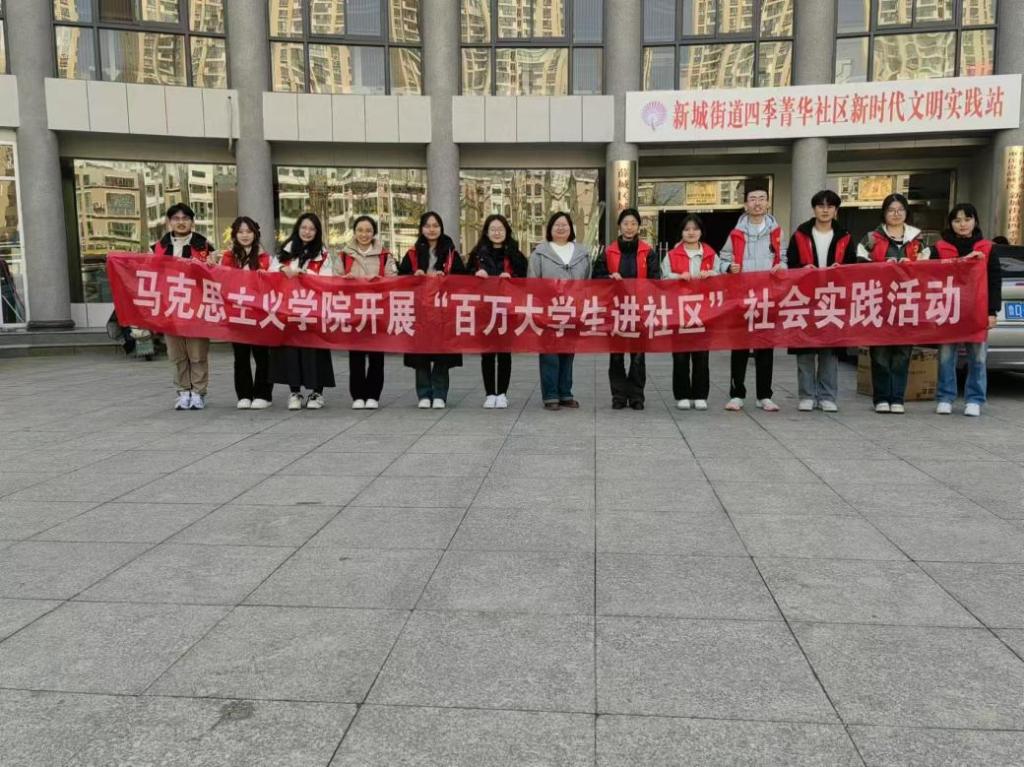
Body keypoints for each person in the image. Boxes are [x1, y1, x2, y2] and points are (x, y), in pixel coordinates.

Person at [856, 193, 930, 414]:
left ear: (906, 212)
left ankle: (897, 398)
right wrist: (882, 267)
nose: (896, 214)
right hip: (879, 302)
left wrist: (912, 265)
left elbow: (930, 268)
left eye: (900, 210)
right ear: (884, 213)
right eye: (891, 210)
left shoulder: (918, 239)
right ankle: (881, 398)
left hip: (908, 303)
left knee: (902, 353)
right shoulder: (871, 238)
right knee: (879, 353)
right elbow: (858, 266)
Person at [719, 183, 786, 412]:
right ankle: (737, 394)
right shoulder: (736, 233)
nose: (757, 203)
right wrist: (728, 267)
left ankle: (764, 395)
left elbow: (784, 257)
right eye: (753, 199)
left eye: (761, 198)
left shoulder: (777, 232)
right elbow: (722, 258)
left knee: (765, 347)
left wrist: (782, 267)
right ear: (746, 204)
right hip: (741, 297)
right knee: (739, 346)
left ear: (767, 202)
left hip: (767, 297)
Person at [785, 190, 853, 413]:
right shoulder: (800, 234)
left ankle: (827, 396)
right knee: (805, 348)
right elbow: (790, 263)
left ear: (836, 210)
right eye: (821, 206)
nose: (825, 210)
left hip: (833, 298)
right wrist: (802, 269)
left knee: (829, 350)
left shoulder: (844, 236)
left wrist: (842, 270)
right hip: (805, 297)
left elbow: (854, 266)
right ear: (814, 209)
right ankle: (806, 395)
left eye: (830, 206)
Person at [932, 203, 1001, 417]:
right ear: (951, 223)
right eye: (957, 220)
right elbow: (929, 276)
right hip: (948, 310)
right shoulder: (939, 248)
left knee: (978, 357)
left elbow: (994, 281)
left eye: (967, 219)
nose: (962, 224)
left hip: (977, 311)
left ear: (975, 221)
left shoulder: (987, 248)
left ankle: (975, 399)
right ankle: (945, 397)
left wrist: (992, 312)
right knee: (946, 356)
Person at [399, 211, 472, 409]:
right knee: (421, 353)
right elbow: (400, 278)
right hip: (420, 311)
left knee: (442, 353)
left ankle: (440, 394)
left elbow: (463, 279)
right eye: (427, 226)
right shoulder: (412, 253)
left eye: (435, 226)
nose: (432, 229)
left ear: (441, 228)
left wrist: (447, 279)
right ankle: (424, 394)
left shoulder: (450, 253)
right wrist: (414, 275)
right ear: (421, 229)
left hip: (443, 311)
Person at [594, 208, 660, 410]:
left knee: (638, 355)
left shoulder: (648, 252)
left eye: (633, 223)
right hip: (616, 310)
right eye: (625, 223)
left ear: (638, 227)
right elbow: (596, 278)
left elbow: (656, 279)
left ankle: (637, 396)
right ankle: (619, 396)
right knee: (616, 355)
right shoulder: (609, 252)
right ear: (619, 227)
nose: (629, 227)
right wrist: (609, 277)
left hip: (640, 310)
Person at [270, 212, 336, 411]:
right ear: (298, 228)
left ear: (317, 232)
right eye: (304, 228)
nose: (307, 232)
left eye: (312, 229)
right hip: (289, 310)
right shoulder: (285, 250)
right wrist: (282, 269)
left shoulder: (323, 254)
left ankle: (317, 392)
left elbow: (327, 278)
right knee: (291, 351)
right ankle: (295, 392)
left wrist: (304, 273)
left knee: (315, 351)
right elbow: (270, 271)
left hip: (313, 310)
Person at [527, 211, 592, 411]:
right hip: (547, 310)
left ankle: (565, 393)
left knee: (568, 353)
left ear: (571, 228)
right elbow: (532, 282)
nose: (561, 228)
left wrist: (584, 305)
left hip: (573, 310)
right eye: (557, 225)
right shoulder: (540, 253)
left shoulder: (582, 253)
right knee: (549, 353)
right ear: (550, 228)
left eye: (565, 225)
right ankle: (550, 395)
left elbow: (589, 281)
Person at [152, 203, 212, 410]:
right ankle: (183, 391)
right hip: (170, 308)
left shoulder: (204, 246)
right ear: (169, 222)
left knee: (197, 353)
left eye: (185, 218)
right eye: (176, 218)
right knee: (176, 353)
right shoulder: (158, 247)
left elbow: (213, 275)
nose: (181, 222)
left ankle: (198, 392)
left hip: (196, 307)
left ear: (192, 222)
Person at [336, 215, 398, 410]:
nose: (364, 234)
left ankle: (373, 395)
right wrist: (344, 279)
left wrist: (379, 279)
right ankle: (357, 395)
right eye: (360, 230)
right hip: (353, 311)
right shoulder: (344, 254)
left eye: (368, 230)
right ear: (354, 232)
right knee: (356, 356)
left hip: (377, 311)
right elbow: (333, 279)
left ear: (374, 233)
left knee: (376, 356)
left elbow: (394, 279)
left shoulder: (384, 255)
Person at [469, 214, 527, 409]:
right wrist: (475, 274)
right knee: (487, 353)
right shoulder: (477, 254)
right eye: (493, 229)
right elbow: (463, 276)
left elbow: (525, 275)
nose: (497, 233)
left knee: (504, 353)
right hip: (484, 309)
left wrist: (511, 276)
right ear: (486, 232)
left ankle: (502, 393)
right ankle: (489, 394)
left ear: (506, 232)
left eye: (500, 229)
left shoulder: (514, 253)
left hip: (507, 309)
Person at [661, 214, 719, 410]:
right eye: (687, 229)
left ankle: (700, 394)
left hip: (704, 311)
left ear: (701, 232)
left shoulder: (710, 254)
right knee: (680, 355)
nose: (691, 232)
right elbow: (663, 279)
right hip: (679, 311)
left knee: (701, 355)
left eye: (695, 229)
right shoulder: (671, 255)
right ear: (681, 233)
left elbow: (722, 278)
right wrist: (677, 277)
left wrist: (711, 274)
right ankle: (682, 394)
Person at [221, 216, 273, 410]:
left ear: (255, 234)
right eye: (240, 232)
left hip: (259, 314)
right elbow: (222, 281)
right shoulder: (228, 257)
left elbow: (273, 284)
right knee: (241, 356)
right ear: (235, 234)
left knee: (262, 356)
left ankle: (263, 394)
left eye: (248, 231)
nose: (245, 235)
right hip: (237, 313)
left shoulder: (265, 257)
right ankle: (243, 394)